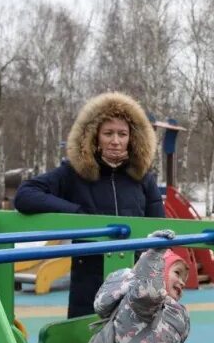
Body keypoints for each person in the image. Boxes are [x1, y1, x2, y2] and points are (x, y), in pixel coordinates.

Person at [14, 92, 165, 318]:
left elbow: (159, 228)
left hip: (135, 280)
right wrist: (76, 214)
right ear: (95, 136)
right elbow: (25, 195)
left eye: (122, 134)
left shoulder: (142, 177)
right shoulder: (75, 174)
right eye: (108, 133)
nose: (115, 140)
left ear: (132, 138)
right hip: (89, 282)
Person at [90, 230, 190, 343]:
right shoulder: (139, 304)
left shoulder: (175, 310)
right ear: (158, 271)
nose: (182, 282)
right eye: (177, 273)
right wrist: (154, 254)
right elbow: (149, 291)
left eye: (184, 278)